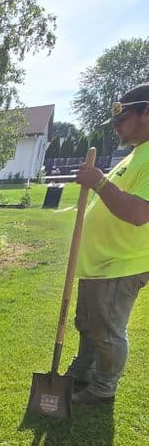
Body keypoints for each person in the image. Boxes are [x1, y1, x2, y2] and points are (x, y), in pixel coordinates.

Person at [66, 82, 149, 404]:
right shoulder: (136, 154)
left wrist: (98, 181)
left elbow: (139, 213)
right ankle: (81, 370)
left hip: (121, 261)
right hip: (101, 262)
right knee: (88, 323)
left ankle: (103, 388)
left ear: (146, 112)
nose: (115, 127)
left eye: (121, 118)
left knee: (107, 331)